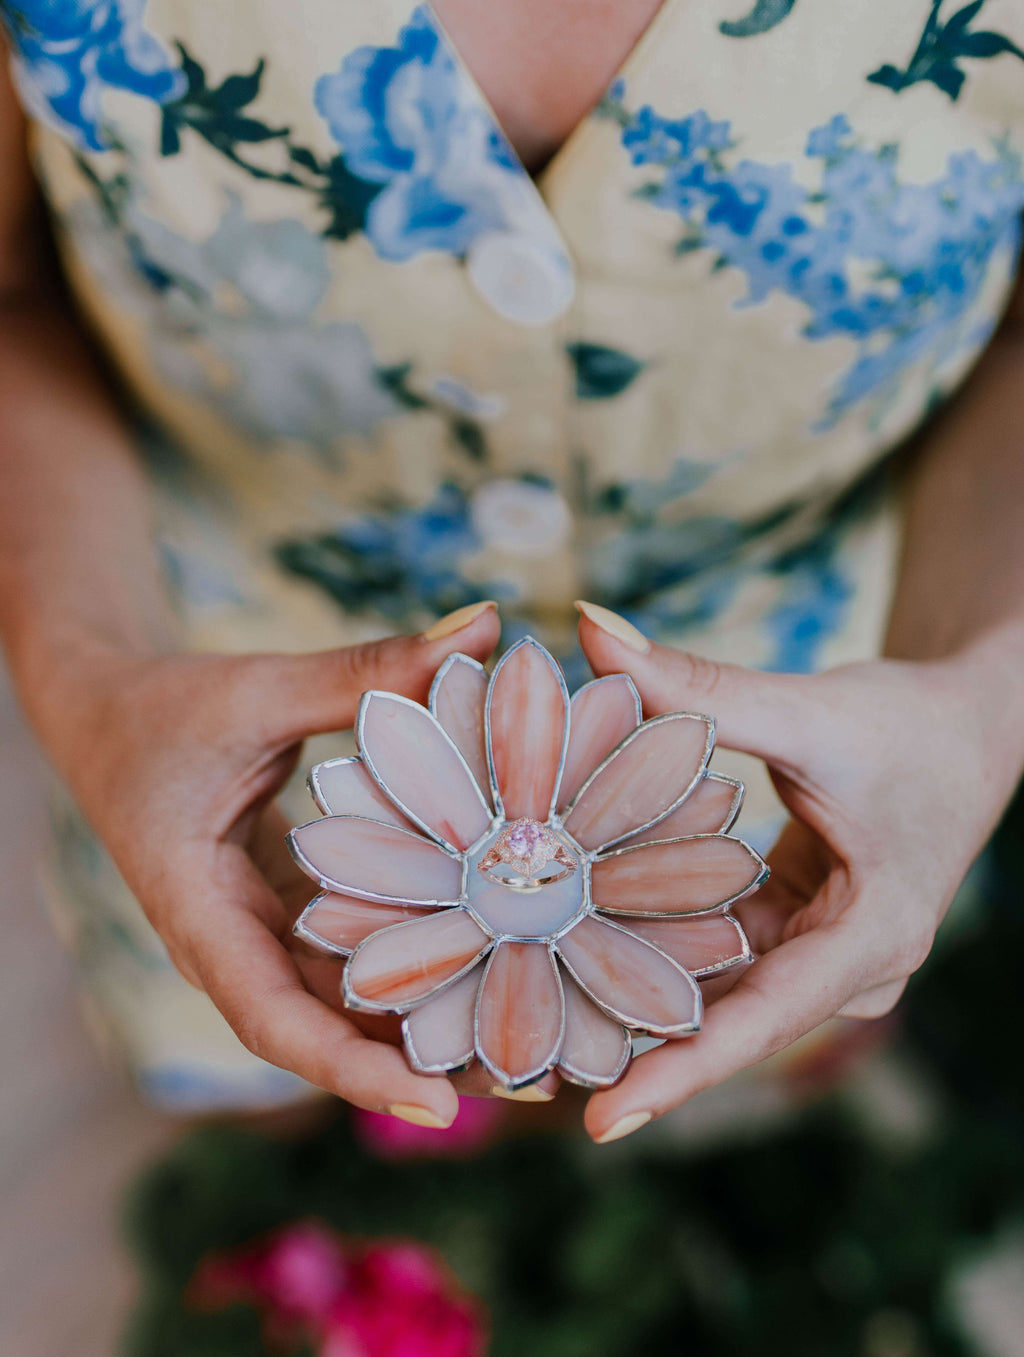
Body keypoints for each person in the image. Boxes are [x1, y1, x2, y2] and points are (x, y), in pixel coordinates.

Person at [0, 0, 1022, 1144]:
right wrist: (89, 680)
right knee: (273, 1105)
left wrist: (982, 693)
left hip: (818, 768)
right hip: (210, 734)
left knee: (762, 1086)